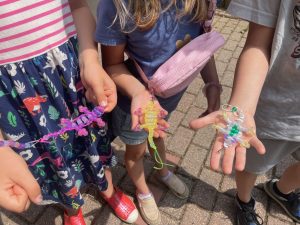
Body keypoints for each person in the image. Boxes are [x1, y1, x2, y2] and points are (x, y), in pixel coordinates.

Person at [0, 1, 139, 225]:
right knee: (52, 155)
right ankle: (72, 209)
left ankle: (108, 189)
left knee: (93, 139)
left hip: (70, 74)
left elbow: (79, 7)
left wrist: (91, 60)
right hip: (19, 94)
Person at [95, 0, 222, 224]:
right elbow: (112, 64)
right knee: (136, 150)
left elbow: (201, 45)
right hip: (136, 104)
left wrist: (212, 83)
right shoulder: (118, 6)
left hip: (169, 97)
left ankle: (161, 171)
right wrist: (138, 93)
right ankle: (143, 190)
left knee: (158, 136)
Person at [190, 0, 300, 224]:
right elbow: (258, 44)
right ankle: (243, 199)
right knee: (250, 163)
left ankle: (282, 191)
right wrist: (242, 106)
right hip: (275, 107)